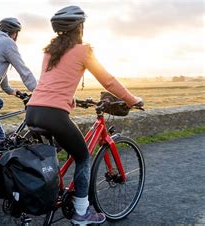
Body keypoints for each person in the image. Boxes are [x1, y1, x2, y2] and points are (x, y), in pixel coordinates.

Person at [26, 6, 143, 225]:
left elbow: (52, 84)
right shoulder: (84, 51)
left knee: (51, 155)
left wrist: (71, 100)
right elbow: (107, 81)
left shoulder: (49, 52)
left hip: (33, 111)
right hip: (54, 114)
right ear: (79, 27)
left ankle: (50, 194)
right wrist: (132, 100)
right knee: (83, 157)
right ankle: (81, 212)